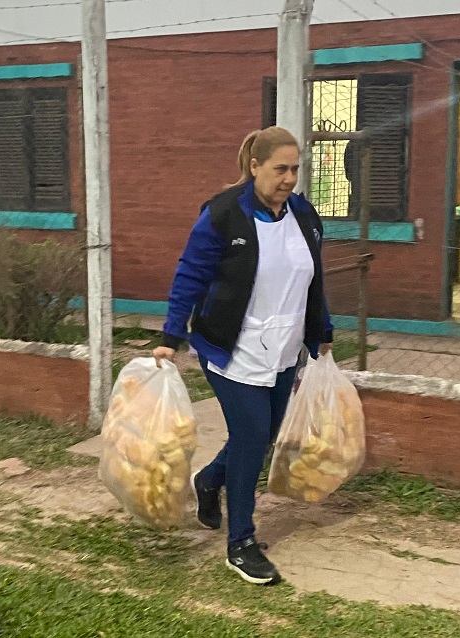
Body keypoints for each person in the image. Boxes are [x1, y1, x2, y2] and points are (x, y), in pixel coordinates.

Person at [153, 126, 333, 586]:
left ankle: (210, 479)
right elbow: (190, 274)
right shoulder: (222, 214)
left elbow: (313, 279)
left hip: (285, 348)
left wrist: (322, 331)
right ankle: (241, 543)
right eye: (280, 169)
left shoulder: (303, 215)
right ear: (255, 167)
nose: (289, 178)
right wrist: (171, 335)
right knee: (251, 438)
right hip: (233, 349)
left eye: (295, 169)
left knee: (264, 434)